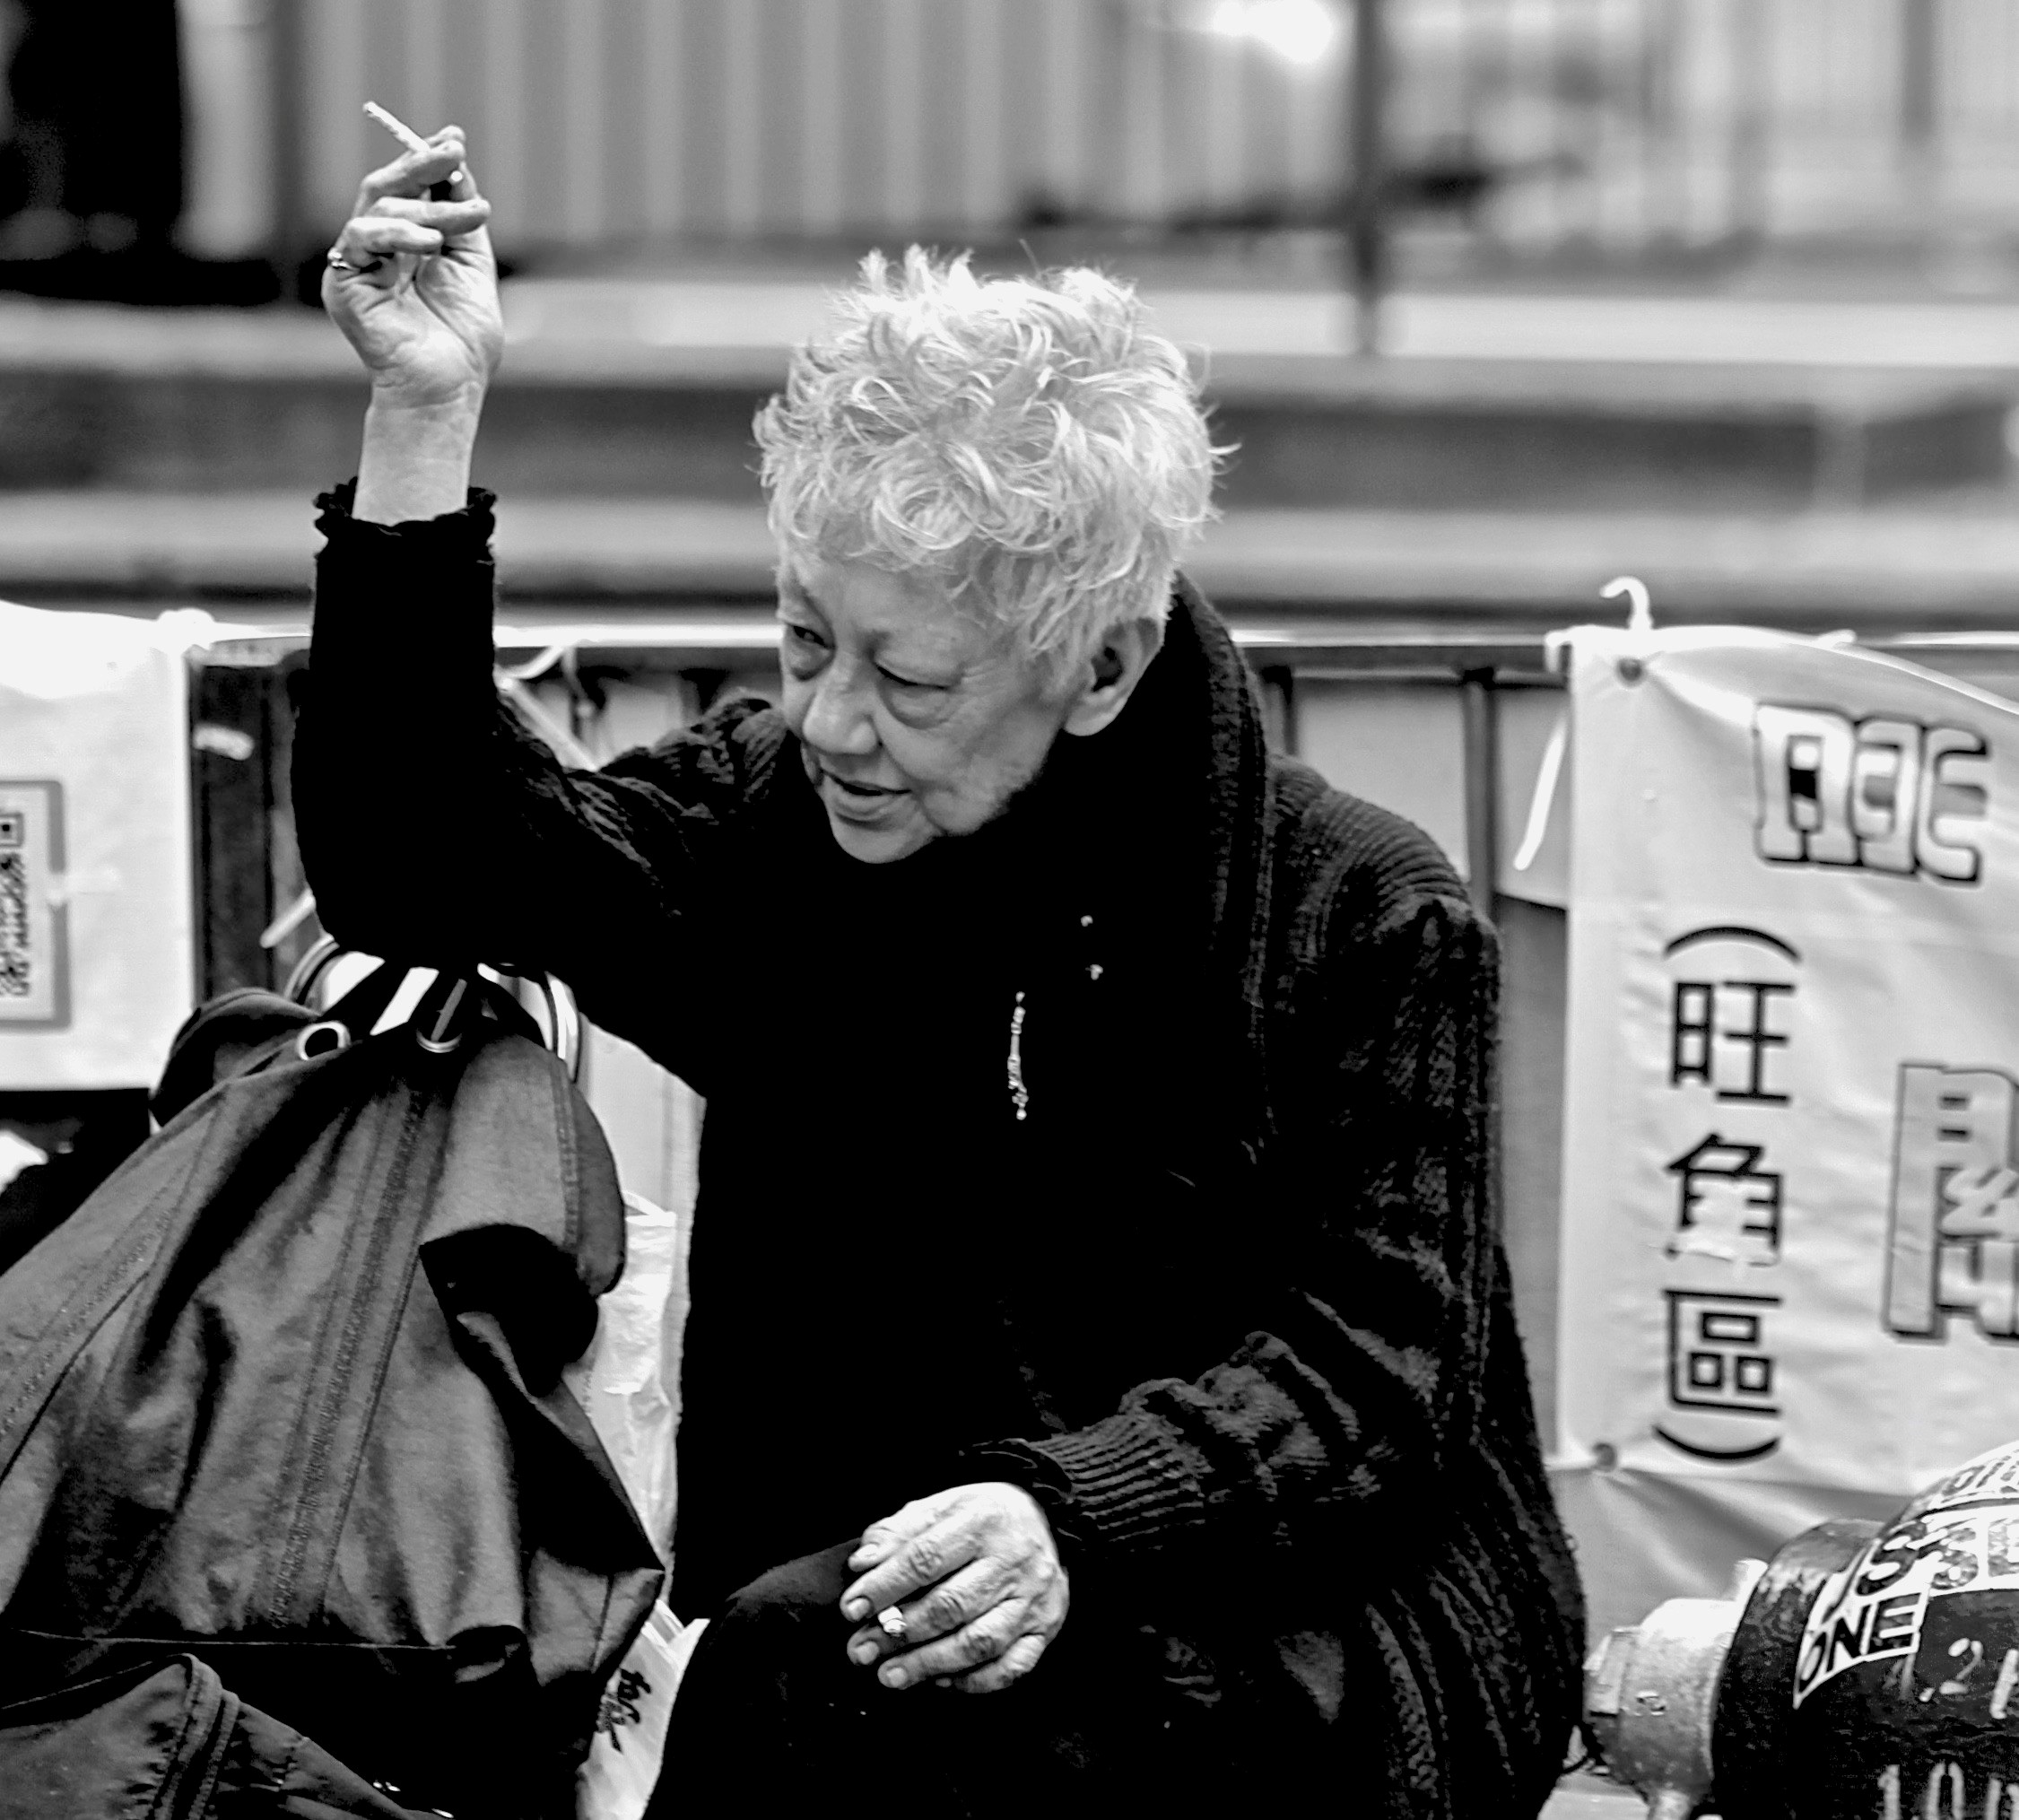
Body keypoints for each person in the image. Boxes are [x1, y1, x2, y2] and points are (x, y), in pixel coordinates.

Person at [295, 126, 1585, 1819]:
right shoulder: (774, 826)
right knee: (808, 1672)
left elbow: (1380, 1369)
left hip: (1328, 1614)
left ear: (1102, 665)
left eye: (906, 677)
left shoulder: (1364, 910)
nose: (833, 722)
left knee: (894, 1700)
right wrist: (420, 418)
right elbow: (420, 857)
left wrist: (1076, 1512)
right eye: (803, 636)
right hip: (856, 1608)